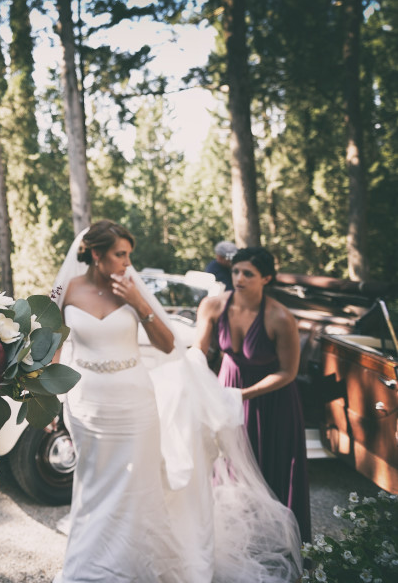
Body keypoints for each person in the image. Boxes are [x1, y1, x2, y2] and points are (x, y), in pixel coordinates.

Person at [52, 221, 301, 583]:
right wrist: (50, 393)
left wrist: (138, 303)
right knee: (90, 485)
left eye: (129, 255)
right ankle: (86, 568)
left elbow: (167, 344)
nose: (127, 262)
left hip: (135, 405)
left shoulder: (132, 286)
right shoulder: (65, 288)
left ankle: (135, 569)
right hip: (86, 405)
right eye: (120, 254)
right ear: (95, 253)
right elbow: (52, 342)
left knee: (137, 488)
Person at [195, 246, 312, 542]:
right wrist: (194, 384)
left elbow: (288, 372)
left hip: (272, 400)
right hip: (227, 389)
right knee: (228, 467)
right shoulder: (212, 306)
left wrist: (243, 395)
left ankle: (276, 545)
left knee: (270, 469)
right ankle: (233, 541)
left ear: (266, 278)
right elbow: (198, 352)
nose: (239, 278)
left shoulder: (279, 317)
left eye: (248, 274)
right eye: (236, 271)